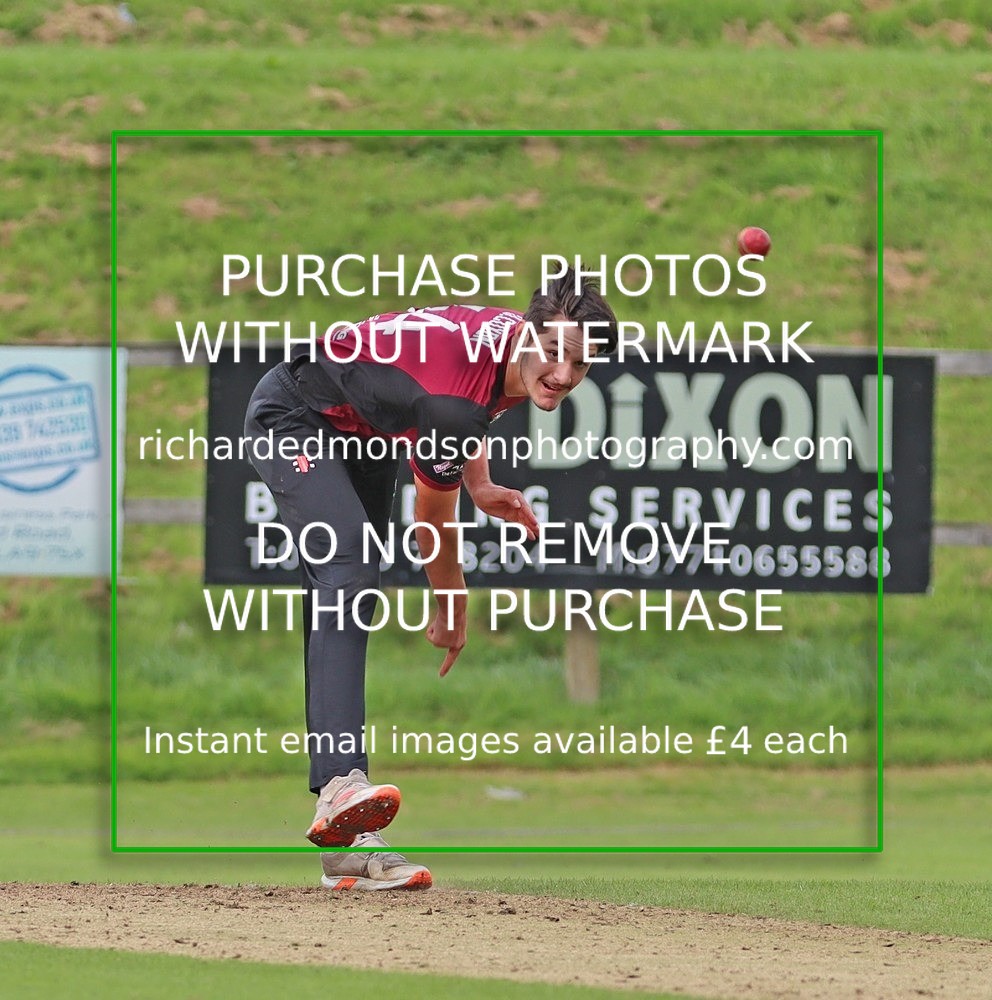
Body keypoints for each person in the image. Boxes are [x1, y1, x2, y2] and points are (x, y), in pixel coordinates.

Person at [243, 267, 618, 890]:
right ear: (529, 333)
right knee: (348, 570)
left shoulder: (512, 348)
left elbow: (467, 410)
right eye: (554, 354)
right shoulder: (458, 399)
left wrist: (480, 484)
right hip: (295, 414)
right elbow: (434, 515)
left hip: (365, 434)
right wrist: (452, 604)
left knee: (346, 588)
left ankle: (347, 846)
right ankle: (340, 787)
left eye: (581, 364)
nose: (563, 374)